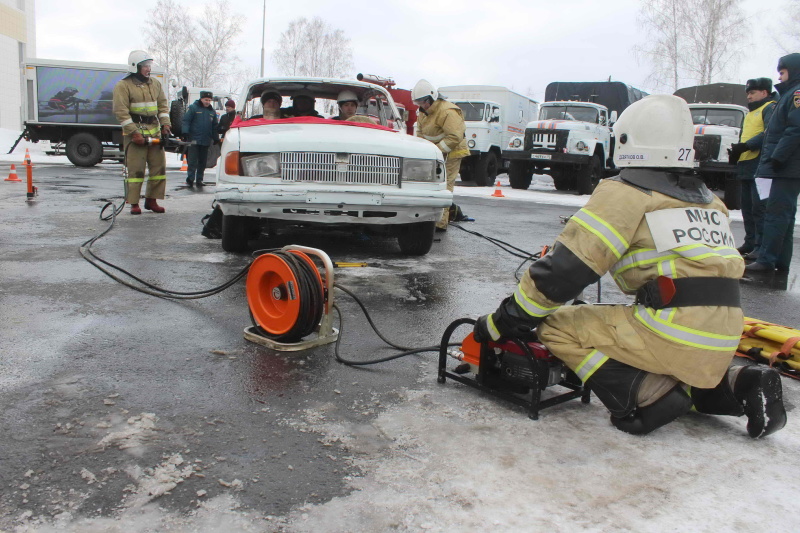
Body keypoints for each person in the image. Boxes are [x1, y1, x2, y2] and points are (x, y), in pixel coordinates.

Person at [473, 94, 786, 438]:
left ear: (626, 140)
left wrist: (506, 319)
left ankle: (646, 396)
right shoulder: (712, 202)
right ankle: (742, 383)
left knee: (558, 325)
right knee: (675, 359)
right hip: (724, 333)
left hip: (673, 329)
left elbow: (564, 274)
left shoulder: (626, 192)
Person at [745, 53, 800, 274]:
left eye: (783, 72)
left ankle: (767, 260)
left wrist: (777, 157)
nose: (780, 76)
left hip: (786, 167)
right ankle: (780, 261)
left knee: (776, 214)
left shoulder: (796, 94)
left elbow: (795, 129)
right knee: (783, 216)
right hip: (787, 166)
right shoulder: (788, 95)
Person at [112, 50, 171, 214]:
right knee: (136, 170)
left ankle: (152, 201)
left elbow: (163, 107)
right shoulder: (123, 86)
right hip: (135, 134)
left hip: (155, 133)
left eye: (149, 65)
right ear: (135, 67)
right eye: (145, 66)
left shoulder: (155, 84)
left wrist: (166, 125)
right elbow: (121, 112)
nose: (148, 69)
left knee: (158, 169)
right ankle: (134, 203)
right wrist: (134, 132)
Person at [728, 78, 778, 261]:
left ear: (764, 92)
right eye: (748, 93)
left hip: (760, 166)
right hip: (747, 165)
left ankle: (760, 246)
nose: (749, 96)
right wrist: (736, 153)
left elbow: (769, 134)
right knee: (747, 208)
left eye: (753, 93)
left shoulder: (769, 108)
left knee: (759, 208)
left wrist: (747, 145)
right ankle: (750, 243)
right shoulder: (751, 113)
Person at [412, 79, 471, 231]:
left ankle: (440, 224)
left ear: (432, 97)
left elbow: (454, 137)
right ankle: (426, 218)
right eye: (419, 103)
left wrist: (436, 151)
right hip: (435, 153)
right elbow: (420, 133)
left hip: (453, 152)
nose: (422, 105)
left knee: (445, 186)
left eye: (424, 102)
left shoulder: (447, 111)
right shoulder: (423, 113)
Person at [182, 90, 219, 187]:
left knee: (203, 162)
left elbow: (214, 126)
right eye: (206, 100)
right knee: (192, 161)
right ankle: (190, 179)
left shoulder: (212, 111)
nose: (207, 102)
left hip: (206, 140)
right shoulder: (193, 108)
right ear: (201, 99)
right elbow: (186, 121)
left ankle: (199, 179)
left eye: (209, 100)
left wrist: (216, 138)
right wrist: (185, 132)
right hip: (194, 139)